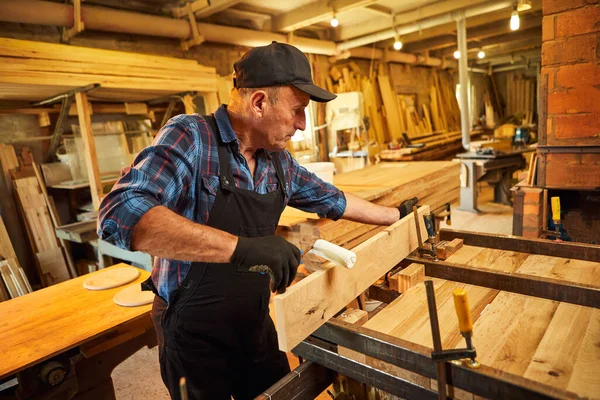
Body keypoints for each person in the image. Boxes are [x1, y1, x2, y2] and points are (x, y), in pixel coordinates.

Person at [98, 41, 418, 400]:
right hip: (193, 332)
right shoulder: (192, 137)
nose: (302, 124)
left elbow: (332, 198)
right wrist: (241, 249)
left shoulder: (276, 160)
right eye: (298, 110)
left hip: (253, 321)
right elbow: (120, 213)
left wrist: (399, 216)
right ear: (260, 102)